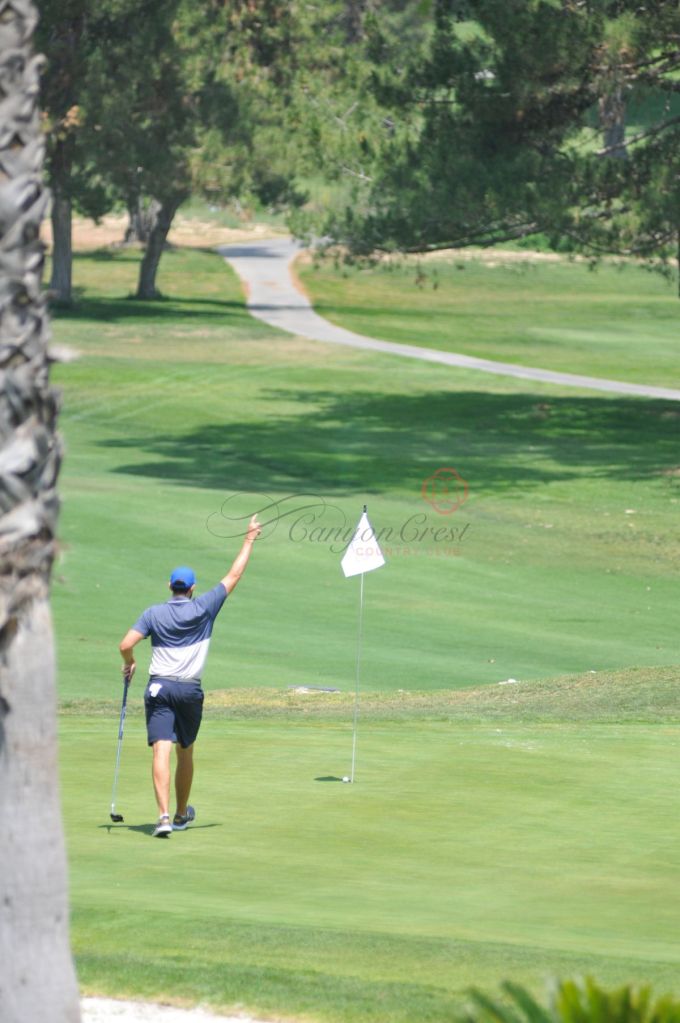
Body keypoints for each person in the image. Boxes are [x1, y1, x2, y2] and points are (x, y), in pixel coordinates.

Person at [118, 514, 262, 837]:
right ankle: (183, 813)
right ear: (193, 589)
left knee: (161, 750)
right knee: (186, 751)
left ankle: (164, 817)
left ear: (170, 587)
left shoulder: (153, 612)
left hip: (158, 688)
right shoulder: (204, 608)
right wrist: (249, 538)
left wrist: (130, 661)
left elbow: (125, 644)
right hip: (189, 692)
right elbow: (234, 574)